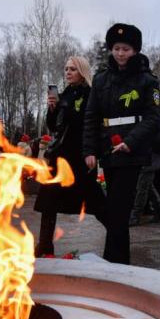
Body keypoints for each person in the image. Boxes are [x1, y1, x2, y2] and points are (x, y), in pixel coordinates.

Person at [82, 23, 160, 264]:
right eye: (116, 48)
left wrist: (130, 142)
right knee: (113, 210)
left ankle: (116, 262)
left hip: (131, 152)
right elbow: (91, 116)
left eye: (125, 49)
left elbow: (153, 117)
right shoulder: (101, 79)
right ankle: (117, 261)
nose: (120, 53)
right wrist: (89, 150)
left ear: (135, 50)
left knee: (118, 209)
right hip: (107, 148)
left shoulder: (147, 81)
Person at [34, 56, 107, 257]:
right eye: (66, 69)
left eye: (73, 69)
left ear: (82, 71)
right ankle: (44, 245)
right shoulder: (65, 93)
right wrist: (53, 108)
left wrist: (91, 152)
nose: (68, 72)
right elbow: (55, 126)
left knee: (94, 201)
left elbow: (86, 123)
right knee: (48, 201)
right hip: (60, 156)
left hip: (79, 155)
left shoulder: (90, 94)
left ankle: (116, 233)